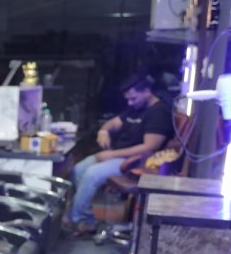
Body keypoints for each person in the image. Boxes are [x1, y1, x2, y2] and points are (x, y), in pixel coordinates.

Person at [66, 75, 174, 235]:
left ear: (146, 91)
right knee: (79, 169)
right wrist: (104, 131)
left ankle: (78, 220)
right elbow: (113, 123)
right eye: (128, 99)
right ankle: (87, 219)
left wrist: (111, 154)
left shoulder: (159, 113)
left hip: (137, 162)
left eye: (133, 98)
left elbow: (149, 148)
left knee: (92, 174)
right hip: (118, 155)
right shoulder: (136, 107)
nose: (130, 103)